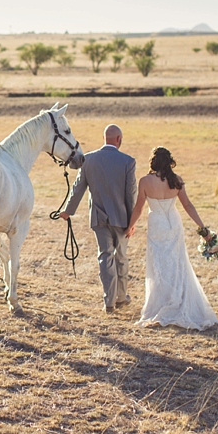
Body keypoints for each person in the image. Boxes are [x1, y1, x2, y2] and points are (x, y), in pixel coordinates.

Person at [125, 146, 218, 330]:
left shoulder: (145, 181)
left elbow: (139, 208)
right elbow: (188, 206)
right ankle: (178, 298)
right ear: (169, 162)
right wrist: (203, 228)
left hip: (157, 224)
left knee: (159, 263)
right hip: (173, 224)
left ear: (153, 162)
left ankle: (163, 302)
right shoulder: (177, 181)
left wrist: (130, 226)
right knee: (177, 262)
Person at [59, 124, 137, 313]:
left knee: (105, 257)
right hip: (122, 219)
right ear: (119, 139)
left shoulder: (89, 160)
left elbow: (78, 188)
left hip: (98, 218)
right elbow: (130, 194)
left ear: (105, 138)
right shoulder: (128, 161)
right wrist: (132, 222)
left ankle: (108, 301)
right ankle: (121, 297)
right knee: (121, 258)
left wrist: (68, 211)